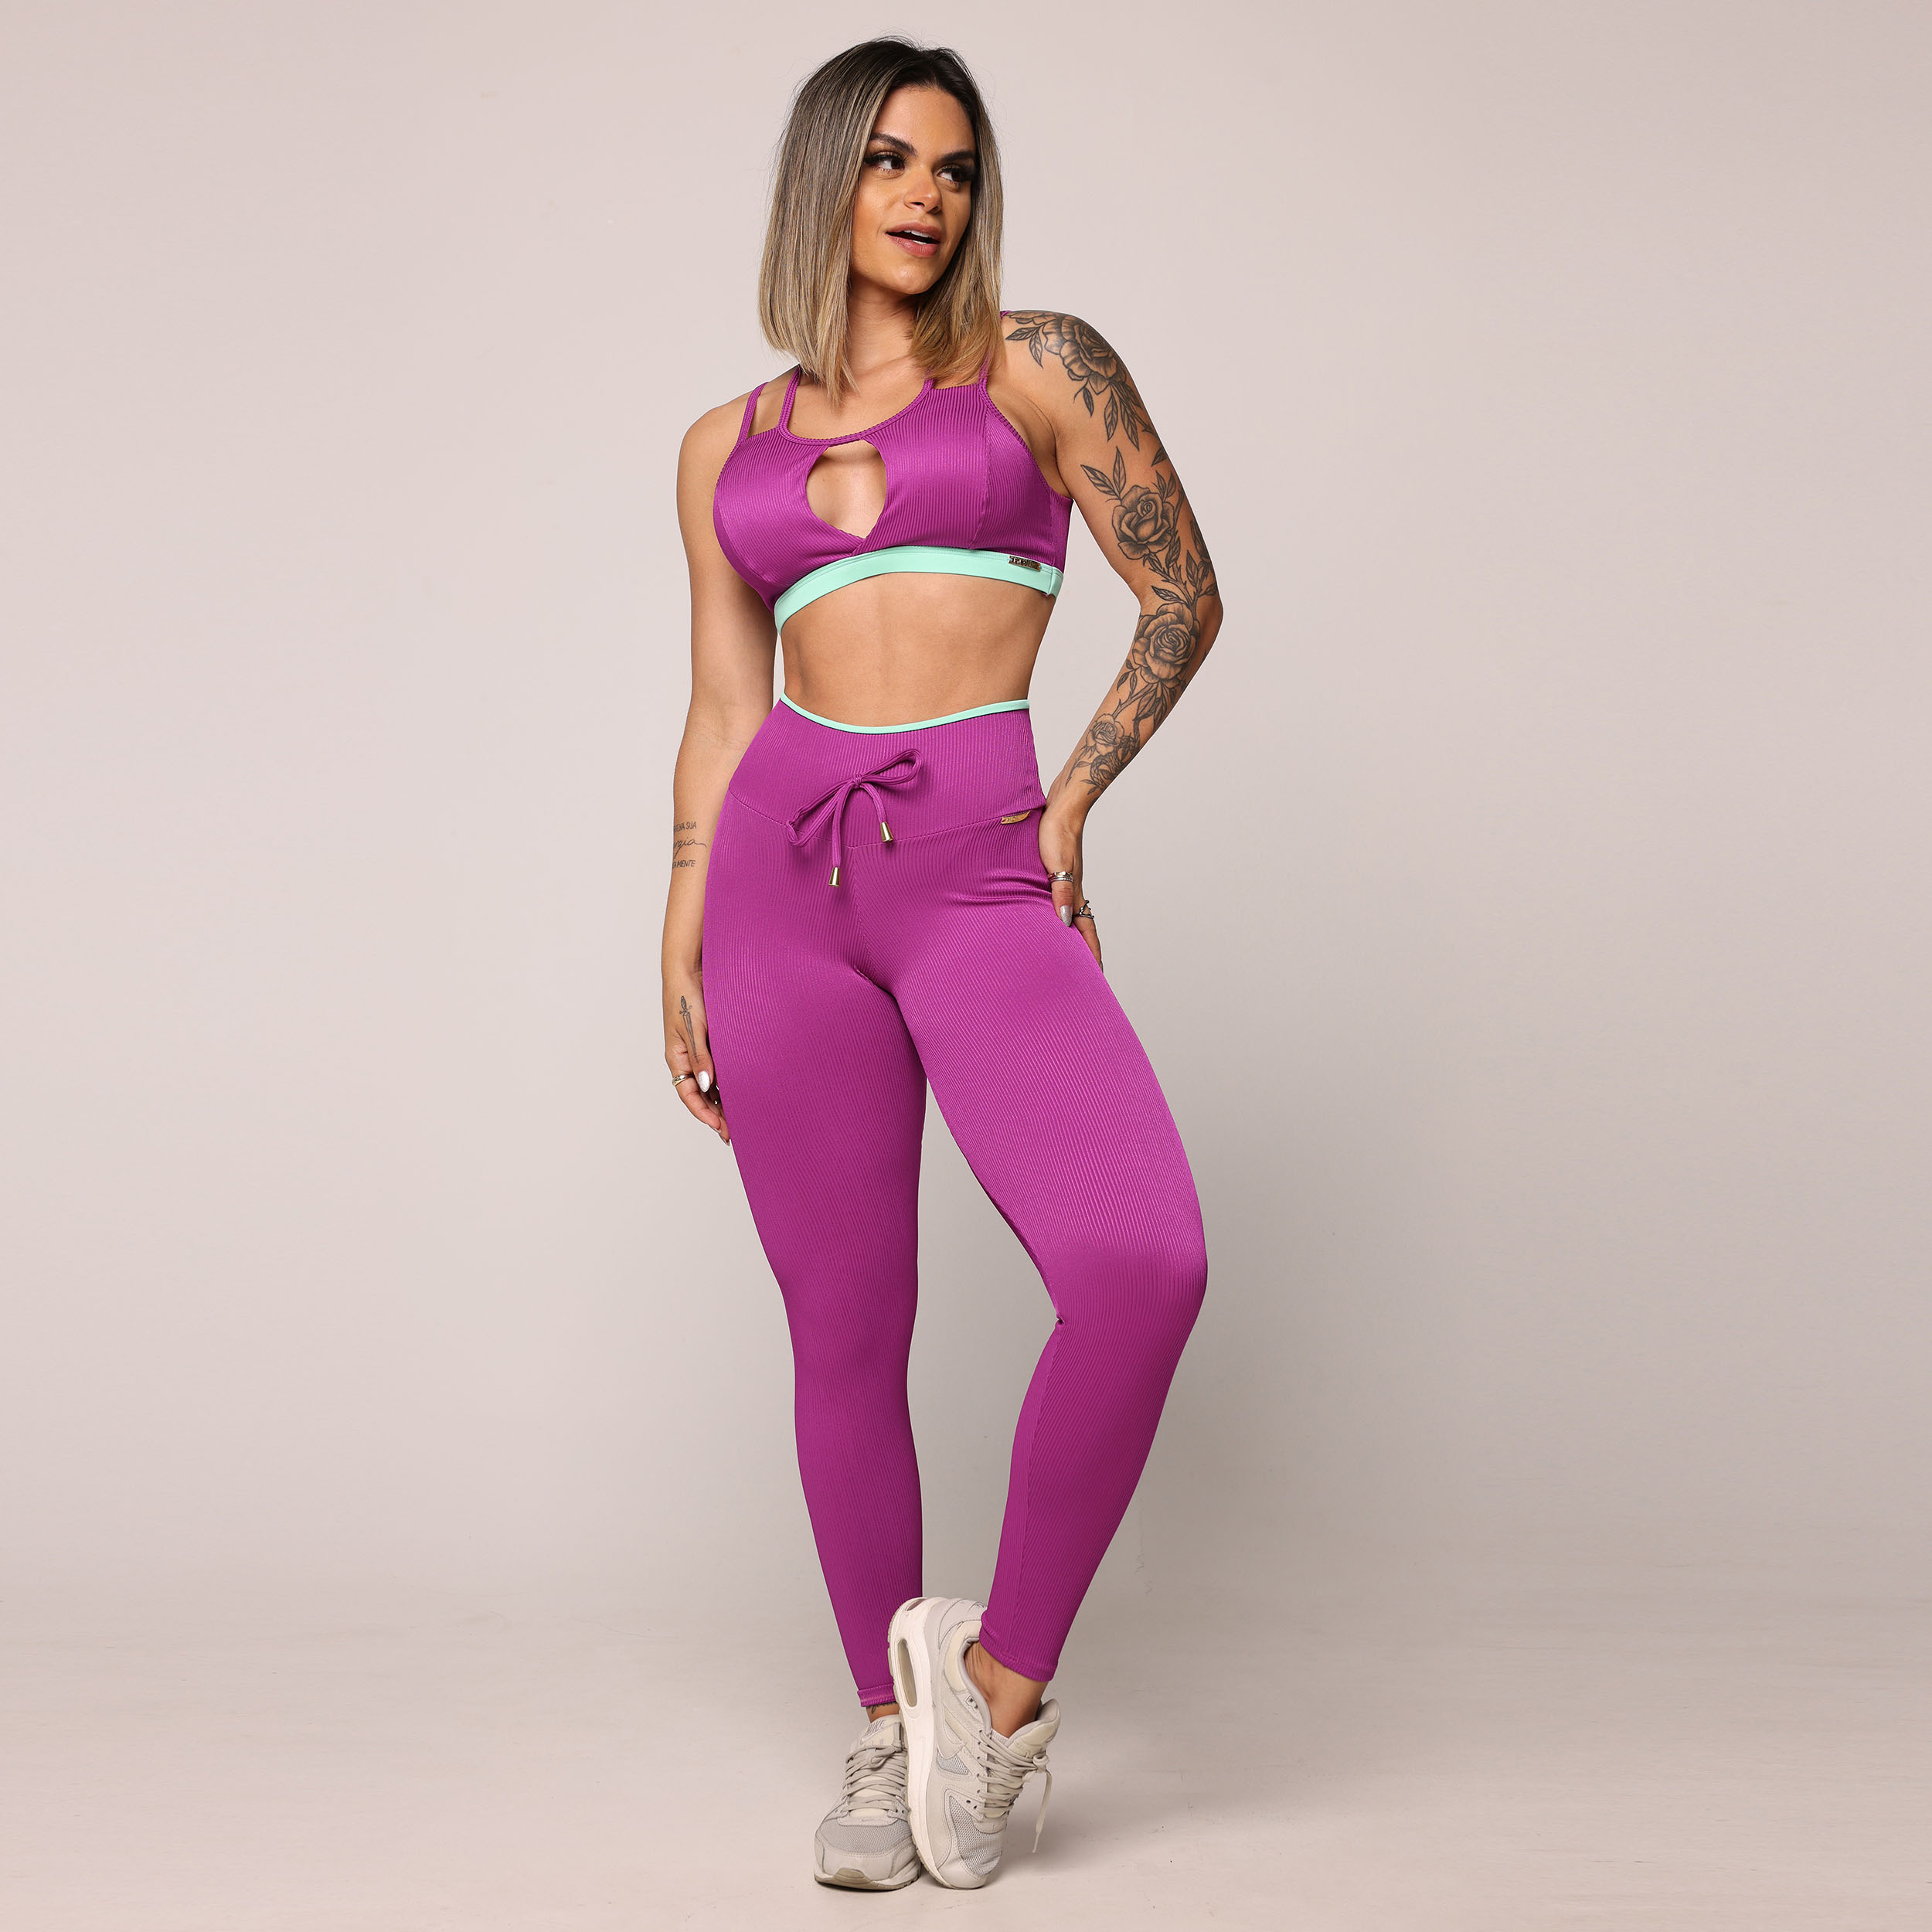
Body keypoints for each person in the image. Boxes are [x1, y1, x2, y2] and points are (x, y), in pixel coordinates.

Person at [662, 36, 1221, 1892]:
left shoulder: (1036, 366)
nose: (925, 195)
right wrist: (679, 925)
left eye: (955, 169)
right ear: (823, 176)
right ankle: (887, 1737)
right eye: (891, 160)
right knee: (843, 1325)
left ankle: (991, 1702)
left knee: (1139, 1262)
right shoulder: (723, 446)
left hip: (978, 867)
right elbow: (722, 707)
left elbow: (1184, 593)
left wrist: (1073, 798)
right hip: (777, 889)